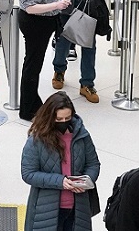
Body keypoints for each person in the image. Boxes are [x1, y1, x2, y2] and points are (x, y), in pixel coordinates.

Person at [21, 92, 100, 231]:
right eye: (59, 119)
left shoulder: (82, 136)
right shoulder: (36, 140)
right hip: (46, 210)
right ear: (49, 117)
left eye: (67, 118)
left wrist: (86, 181)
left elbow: (93, 164)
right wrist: (60, 181)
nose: (63, 122)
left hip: (78, 209)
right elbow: (28, 173)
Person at [17, 0, 71, 121]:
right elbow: (31, 6)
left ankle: (31, 104)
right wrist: (57, 5)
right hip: (36, 24)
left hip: (38, 22)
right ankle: (28, 109)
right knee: (33, 65)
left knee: (32, 64)